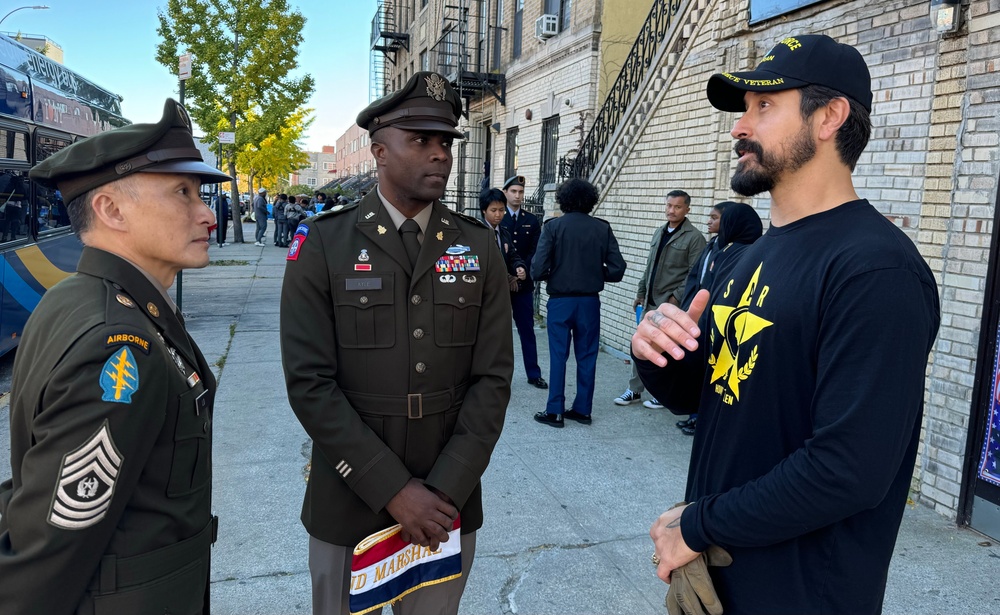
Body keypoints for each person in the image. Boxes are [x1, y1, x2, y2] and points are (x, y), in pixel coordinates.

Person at [633, 34, 940, 615]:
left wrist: (698, 524)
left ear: (829, 117)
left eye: (764, 106)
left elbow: (848, 470)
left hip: (803, 594)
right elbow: (707, 395)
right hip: (720, 583)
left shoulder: (876, 270)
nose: (738, 127)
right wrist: (656, 353)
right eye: (743, 108)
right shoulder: (752, 255)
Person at [280, 71, 513, 615]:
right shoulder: (324, 244)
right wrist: (391, 488)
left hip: (444, 495)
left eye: (445, 143)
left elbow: (493, 379)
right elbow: (309, 384)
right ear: (379, 152)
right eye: (421, 141)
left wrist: (447, 487)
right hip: (349, 494)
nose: (440, 155)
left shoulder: (477, 245)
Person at [0, 98, 230, 614]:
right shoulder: (119, 342)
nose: (207, 213)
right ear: (111, 209)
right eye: (182, 193)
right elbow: (51, 545)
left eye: (200, 193)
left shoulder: (75, 296)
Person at [531, 178, 626, 427]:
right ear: (590, 200)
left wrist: (554, 273)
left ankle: (555, 410)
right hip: (589, 302)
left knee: (558, 355)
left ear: (563, 200)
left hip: (561, 301)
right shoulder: (601, 228)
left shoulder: (553, 227)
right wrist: (595, 273)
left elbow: (538, 268)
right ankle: (583, 410)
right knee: (587, 356)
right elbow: (618, 269)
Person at [615, 190, 705, 410]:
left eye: (677, 207)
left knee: (664, 349)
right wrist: (640, 292)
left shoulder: (694, 238)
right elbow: (649, 267)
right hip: (650, 303)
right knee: (641, 345)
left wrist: (675, 298)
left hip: (670, 306)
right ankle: (634, 390)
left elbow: (694, 274)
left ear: (687, 209)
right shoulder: (659, 232)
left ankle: (659, 394)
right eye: (668, 206)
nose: (671, 210)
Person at [673, 200, 737, 434]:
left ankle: (702, 418)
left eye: (714, 217)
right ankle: (694, 414)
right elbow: (695, 278)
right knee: (695, 366)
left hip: (715, 319)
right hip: (697, 315)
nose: (708, 221)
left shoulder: (730, 251)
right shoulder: (711, 246)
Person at [500, 175, 547, 389]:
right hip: (500, 285)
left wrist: (523, 269)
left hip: (524, 283)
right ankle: (499, 376)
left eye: (520, 192)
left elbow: (535, 250)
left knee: (527, 329)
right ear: (505, 193)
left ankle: (533, 373)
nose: (518, 196)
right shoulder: (498, 217)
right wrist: (509, 273)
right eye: (513, 192)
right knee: (499, 332)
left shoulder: (531, 220)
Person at [480, 188, 527, 292]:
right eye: (493, 210)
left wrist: (519, 267)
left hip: (502, 290)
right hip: (483, 289)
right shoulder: (477, 232)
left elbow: (512, 256)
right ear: (484, 210)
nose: (498, 214)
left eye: (501, 210)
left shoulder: (505, 233)